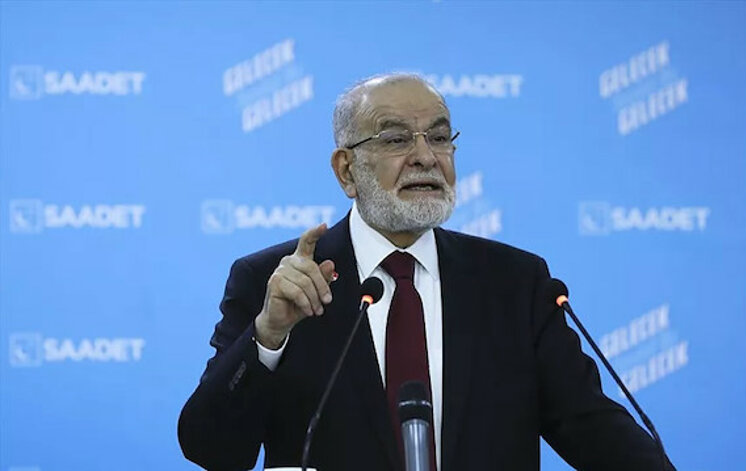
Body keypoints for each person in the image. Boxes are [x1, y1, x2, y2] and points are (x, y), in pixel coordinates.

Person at [178, 73, 674, 471]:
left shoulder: (515, 283)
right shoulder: (275, 282)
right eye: (396, 139)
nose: (425, 156)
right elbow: (212, 450)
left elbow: (596, 431)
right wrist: (268, 335)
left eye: (439, 137)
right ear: (347, 170)